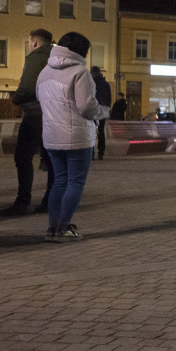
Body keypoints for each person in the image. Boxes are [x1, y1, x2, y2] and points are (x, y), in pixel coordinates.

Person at [36, 32, 109, 242]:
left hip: (51, 135)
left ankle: (52, 227)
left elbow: (41, 98)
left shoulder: (44, 72)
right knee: (75, 182)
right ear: (81, 51)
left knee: (59, 182)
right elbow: (86, 105)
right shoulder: (79, 72)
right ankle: (62, 228)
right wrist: (103, 111)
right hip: (77, 136)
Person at [1, 28, 54, 217]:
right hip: (54, 115)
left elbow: (27, 87)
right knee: (50, 160)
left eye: (29, 44)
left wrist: (17, 99)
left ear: (35, 43)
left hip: (35, 113)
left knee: (23, 157)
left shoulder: (35, 57)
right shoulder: (57, 57)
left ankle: (23, 201)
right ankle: (50, 201)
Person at [90, 66, 112, 160]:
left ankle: (91, 153)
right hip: (102, 108)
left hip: (92, 108)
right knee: (101, 131)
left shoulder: (90, 82)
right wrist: (107, 106)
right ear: (100, 72)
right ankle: (101, 153)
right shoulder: (106, 84)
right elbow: (109, 98)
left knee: (91, 131)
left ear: (92, 73)